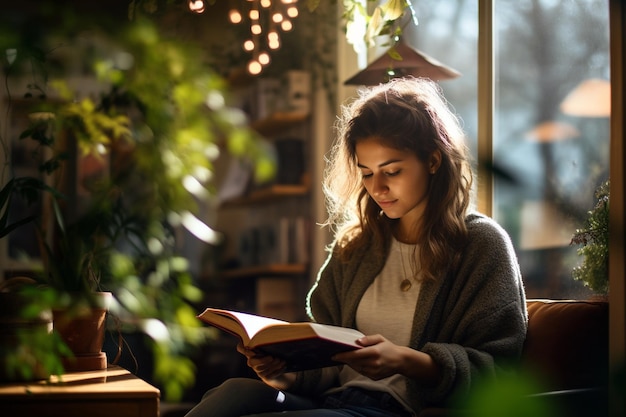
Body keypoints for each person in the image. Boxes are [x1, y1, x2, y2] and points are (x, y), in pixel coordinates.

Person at [185, 77, 527, 417]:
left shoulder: (481, 245)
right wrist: (281, 370)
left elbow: (498, 372)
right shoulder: (358, 247)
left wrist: (410, 361)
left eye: (391, 171)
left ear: (434, 161)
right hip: (334, 401)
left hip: (396, 410)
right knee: (235, 392)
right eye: (366, 173)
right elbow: (325, 363)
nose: (377, 188)